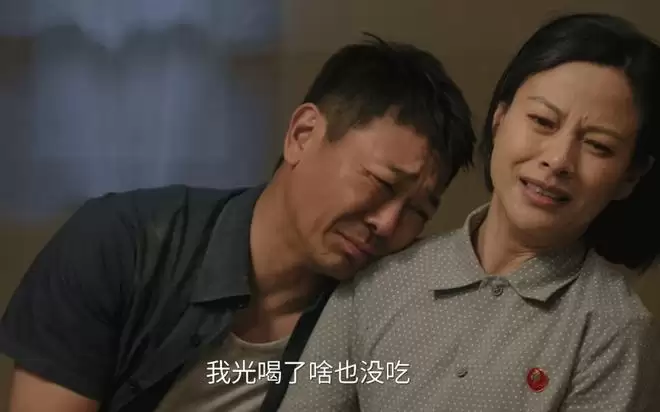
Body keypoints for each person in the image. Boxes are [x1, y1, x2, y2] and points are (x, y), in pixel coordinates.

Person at [0, 34, 476, 412]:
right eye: (381, 183)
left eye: (418, 211)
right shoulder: (120, 243)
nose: (388, 224)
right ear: (303, 135)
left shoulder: (374, 315)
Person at [278, 13, 660, 412]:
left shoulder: (613, 329)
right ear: (500, 119)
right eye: (543, 121)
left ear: (629, 177)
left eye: (598, 145)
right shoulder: (380, 281)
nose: (559, 159)